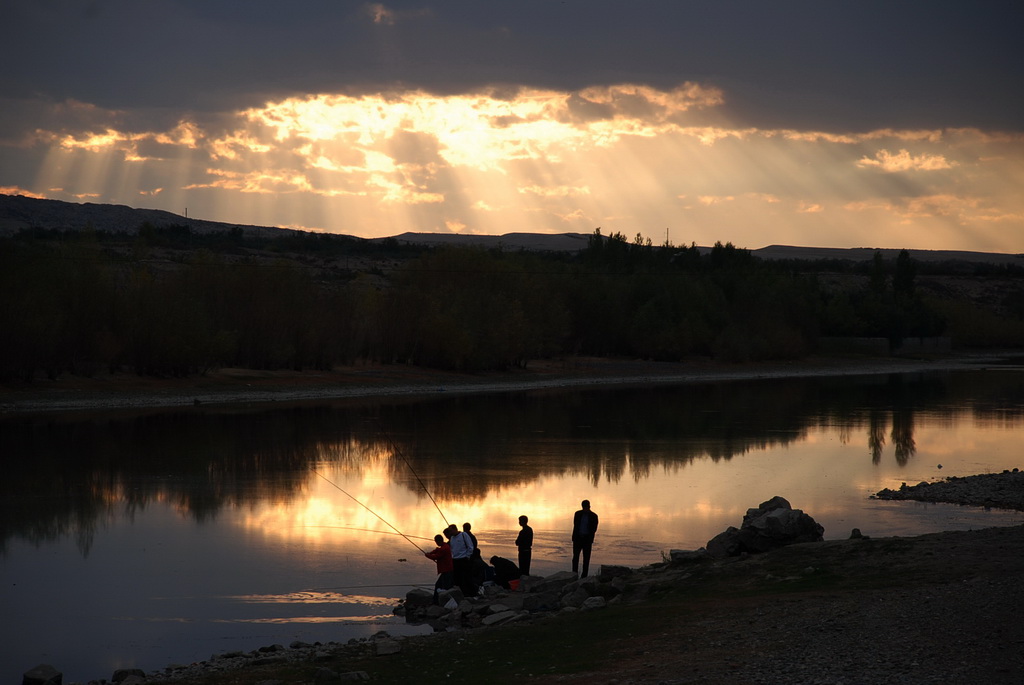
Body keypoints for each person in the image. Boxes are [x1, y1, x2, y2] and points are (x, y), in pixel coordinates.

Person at [571, 499, 599, 578]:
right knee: (575, 557)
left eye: (586, 507)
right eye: (584, 507)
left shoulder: (594, 516)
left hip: (587, 540)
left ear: (589, 507)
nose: (585, 509)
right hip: (577, 539)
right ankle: (574, 574)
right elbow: (575, 526)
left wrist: (589, 537)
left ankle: (584, 576)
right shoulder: (577, 514)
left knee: (586, 559)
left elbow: (594, 529)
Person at [423, 534, 453, 604]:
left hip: (446, 570)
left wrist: (427, 555)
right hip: (447, 570)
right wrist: (431, 552)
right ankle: (437, 600)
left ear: (438, 541)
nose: (436, 543)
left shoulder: (444, 548)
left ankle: (437, 601)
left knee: (441, 585)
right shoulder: (445, 545)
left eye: (436, 541)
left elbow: (436, 556)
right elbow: (437, 550)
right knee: (441, 585)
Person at [449, 524, 477, 596]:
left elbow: (470, 547)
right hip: (455, 560)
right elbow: (452, 549)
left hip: (463, 560)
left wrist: (467, 556)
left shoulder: (463, 535)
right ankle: (462, 594)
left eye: (451, 530)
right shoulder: (452, 538)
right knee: (457, 579)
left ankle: (472, 594)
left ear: (455, 529)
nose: (450, 532)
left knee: (467, 577)